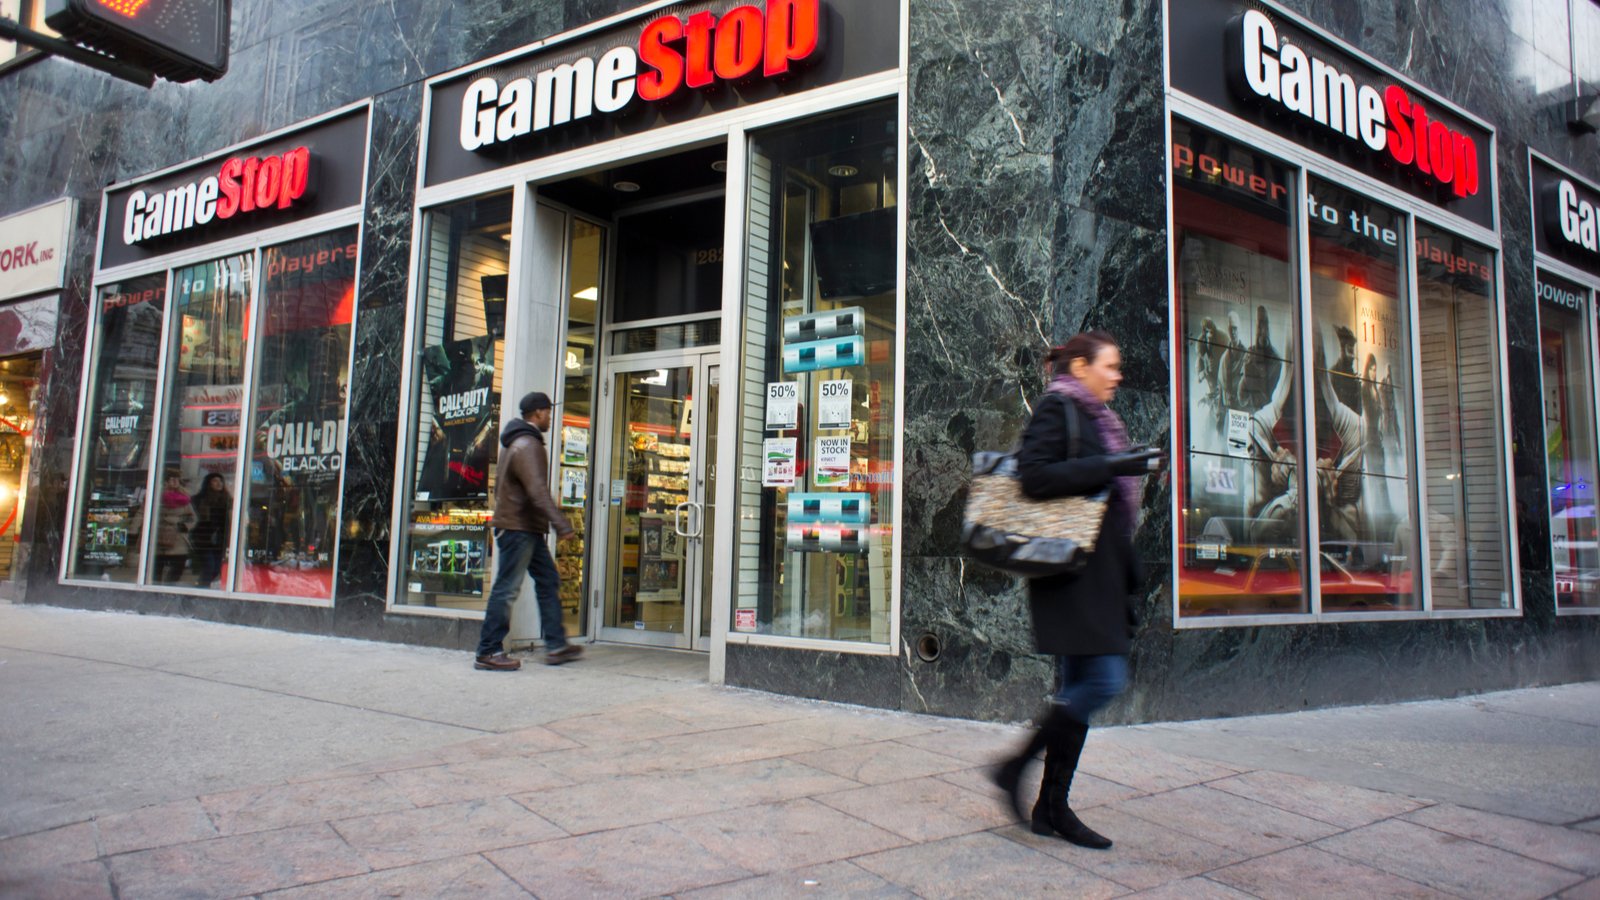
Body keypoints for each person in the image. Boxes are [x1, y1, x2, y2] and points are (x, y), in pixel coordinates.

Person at [991, 331, 1163, 850]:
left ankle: (1052, 808)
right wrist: (1111, 466)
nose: (1118, 375)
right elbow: (1034, 477)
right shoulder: (1057, 407)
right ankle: (1016, 766)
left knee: (1079, 693)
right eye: (1110, 366)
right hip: (1071, 579)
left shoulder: (1097, 420)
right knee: (1103, 681)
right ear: (1082, 367)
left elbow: (1104, 500)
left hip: (1100, 578)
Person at [475, 391, 582, 671]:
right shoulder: (529, 444)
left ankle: (557, 645)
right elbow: (537, 490)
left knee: (548, 580)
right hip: (519, 529)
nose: (550, 417)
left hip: (524, 528)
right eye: (547, 412)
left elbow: (501, 489)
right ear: (537, 413)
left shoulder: (514, 443)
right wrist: (560, 524)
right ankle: (488, 650)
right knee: (506, 589)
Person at [190, 473, 232, 588]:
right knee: (209, 565)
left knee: (216, 567)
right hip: (204, 539)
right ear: (209, 483)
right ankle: (202, 588)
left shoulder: (227, 500)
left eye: (220, 481)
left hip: (220, 540)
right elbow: (193, 519)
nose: (219, 484)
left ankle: (202, 585)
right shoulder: (199, 499)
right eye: (215, 481)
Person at [154, 470, 195, 584]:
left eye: (177, 479)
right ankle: (154, 589)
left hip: (177, 536)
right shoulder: (156, 495)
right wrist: (134, 530)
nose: (176, 481)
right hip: (159, 535)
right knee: (156, 567)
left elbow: (192, 518)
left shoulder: (184, 498)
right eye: (172, 479)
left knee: (178, 564)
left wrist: (185, 526)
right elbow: (143, 513)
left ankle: (169, 586)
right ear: (166, 482)